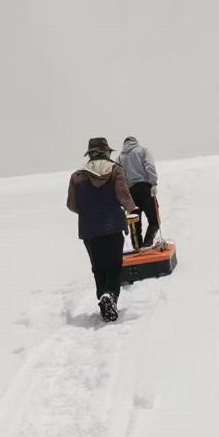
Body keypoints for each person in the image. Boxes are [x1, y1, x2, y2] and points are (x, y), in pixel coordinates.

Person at [67, 137, 137, 321]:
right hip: (112, 226)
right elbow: (123, 196)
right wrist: (131, 208)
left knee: (98, 267)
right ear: (106, 152)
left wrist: (89, 212)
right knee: (113, 266)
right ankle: (110, 295)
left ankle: (103, 297)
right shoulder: (115, 170)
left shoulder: (77, 176)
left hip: (89, 230)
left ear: (89, 154)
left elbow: (72, 205)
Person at [119, 136, 159, 247]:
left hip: (130, 192)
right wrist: (153, 183)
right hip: (145, 189)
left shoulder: (120, 157)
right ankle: (147, 244)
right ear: (135, 142)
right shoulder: (142, 150)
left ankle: (137, 246)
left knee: (134, 222)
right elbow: (150, 166)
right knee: (154, 220)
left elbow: (119, 177)